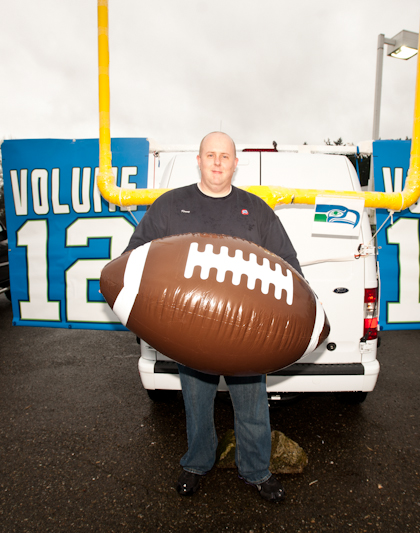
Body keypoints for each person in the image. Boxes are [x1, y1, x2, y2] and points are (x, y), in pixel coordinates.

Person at [123, 132, 301, 502]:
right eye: (210, 155)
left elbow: (288, 264)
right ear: (199, 160)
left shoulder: (256, 209)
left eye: (225, 156)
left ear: (236, 163)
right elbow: (135, 256)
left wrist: (295, 308)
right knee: (197, 404)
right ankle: (196, 463)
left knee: (252, 405)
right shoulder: (170, 205)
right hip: (191, 331)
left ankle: (256, 470)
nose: (217, 162)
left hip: (246, 333)